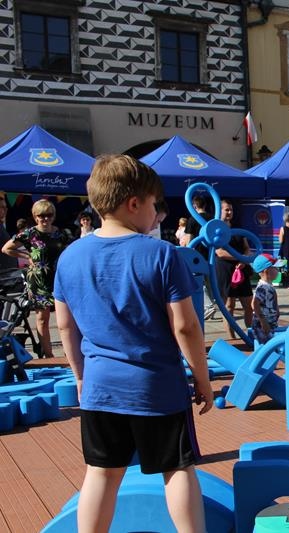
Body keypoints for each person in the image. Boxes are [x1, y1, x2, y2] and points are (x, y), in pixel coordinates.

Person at [53, 154, 212, 533]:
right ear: (134, 203)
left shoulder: (69, 257)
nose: (157, 215)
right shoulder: (162, 254)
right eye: (155, 205)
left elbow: (65, 326)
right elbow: (186, 326)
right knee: (177, 469)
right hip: (157, 387)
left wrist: (80, 377)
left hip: (100, 388)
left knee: (101, 473)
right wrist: (202, 378)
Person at [2, 199, 71, 358]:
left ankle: (68, 353)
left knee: (64, 320)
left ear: (54, 216)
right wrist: (26, 256)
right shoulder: (30, 234)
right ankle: (48, 355)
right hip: (38, 280)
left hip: (59, 279)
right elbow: (6, 249)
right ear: (35, 216)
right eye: (41, 215)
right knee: (42, 319)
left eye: (49, 215)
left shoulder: (61, 234)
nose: (45, 219)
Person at [215, 199, 253, 339]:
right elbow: (219, 252)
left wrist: (244, 259)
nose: (230, 212)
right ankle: (232, 339)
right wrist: (240, 258)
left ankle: (251, 336)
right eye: (227, 210)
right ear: (219, 211)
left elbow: (247, 248)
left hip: (241, 269)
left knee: (249, 305)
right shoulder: (216, 229)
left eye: (231, 209)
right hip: (225, 270)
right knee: (229, 306)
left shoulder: (238, 228)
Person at [251, 253, 281, 345]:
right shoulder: (263, 288)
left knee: (272, 345)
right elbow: (254, 304)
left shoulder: (267, 285)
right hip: (262, 326)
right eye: (275, 268)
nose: (278, 270)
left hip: (269, 323)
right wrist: (263, 321)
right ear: (267, 271)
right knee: (268, 347)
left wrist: (276, 310)